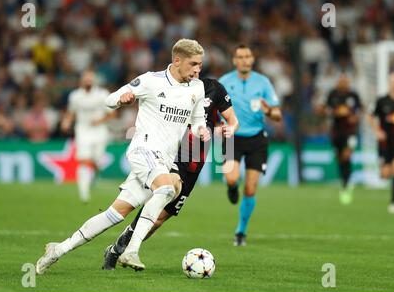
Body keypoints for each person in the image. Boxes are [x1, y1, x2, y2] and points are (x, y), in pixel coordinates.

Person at [35, 38, 210, 274]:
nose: (198, 69)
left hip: (164, 159)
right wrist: (121, 99)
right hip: (144, 150)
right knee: (167, 189)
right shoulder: (150, 81)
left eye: (200, 64)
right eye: (193, 64)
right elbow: (109, 100)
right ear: (177, 60)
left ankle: (58, 250)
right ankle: (131, 251)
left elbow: (198, 118)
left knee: (115, 214)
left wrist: (201, 130)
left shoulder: (196, 87)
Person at [102, 76, 239, 270]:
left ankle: (116, 249)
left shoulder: (213, 88)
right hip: (169, 154)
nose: (194, 69)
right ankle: (124, 249)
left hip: (193, 163)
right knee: (153, 200)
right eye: (192, 63)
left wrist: (230, 130)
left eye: (198, 64)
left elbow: (232, 120)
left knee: (159, 219)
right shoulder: (168, 86)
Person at [219, 44, 282, 246]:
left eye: (248, 56)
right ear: (235, 61)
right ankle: (231, 186)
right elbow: (211, 108)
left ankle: (241, 232)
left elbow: (278, 114)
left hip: (256, 138)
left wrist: (269, 111)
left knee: (251, 189)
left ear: (252, 60)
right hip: (232, 136)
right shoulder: (224, 82)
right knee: (232, 178)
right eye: (240, 57)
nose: (244, 60)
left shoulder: (263, 82)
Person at [61, 70, 116, 203]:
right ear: (82, 80)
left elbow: (112, 114)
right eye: (86, 79)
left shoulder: (102, 94)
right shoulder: (75, 96)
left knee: (96, 160)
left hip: (99, 131)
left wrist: (99, 121)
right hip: (82, 130)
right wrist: (66, 121)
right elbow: (71, 112)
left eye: (90, 79)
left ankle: (95, 175)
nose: (88, 81)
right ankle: (84, 193)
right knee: (84, 160)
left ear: (94, 80)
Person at [368, 72, 394, 214]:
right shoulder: (382, 101)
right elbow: (370, 116)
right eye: (393, 81)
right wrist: (376, 130)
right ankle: (385, 169)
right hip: (385, 142)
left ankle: (393, 202)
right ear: (389, 84)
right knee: (384, 175)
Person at [323, 73, 362, 204]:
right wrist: (335, 112)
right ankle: (345, 182)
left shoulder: (353, 95)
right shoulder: (332, 94)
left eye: (345, 81)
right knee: (340, 158)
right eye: (341, 81)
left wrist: (355, 117)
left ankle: (347, 183)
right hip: (336, 132)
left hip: (351, 131)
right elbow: (325, 110)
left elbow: (360, 110)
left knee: (347, 155)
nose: (343, 83)